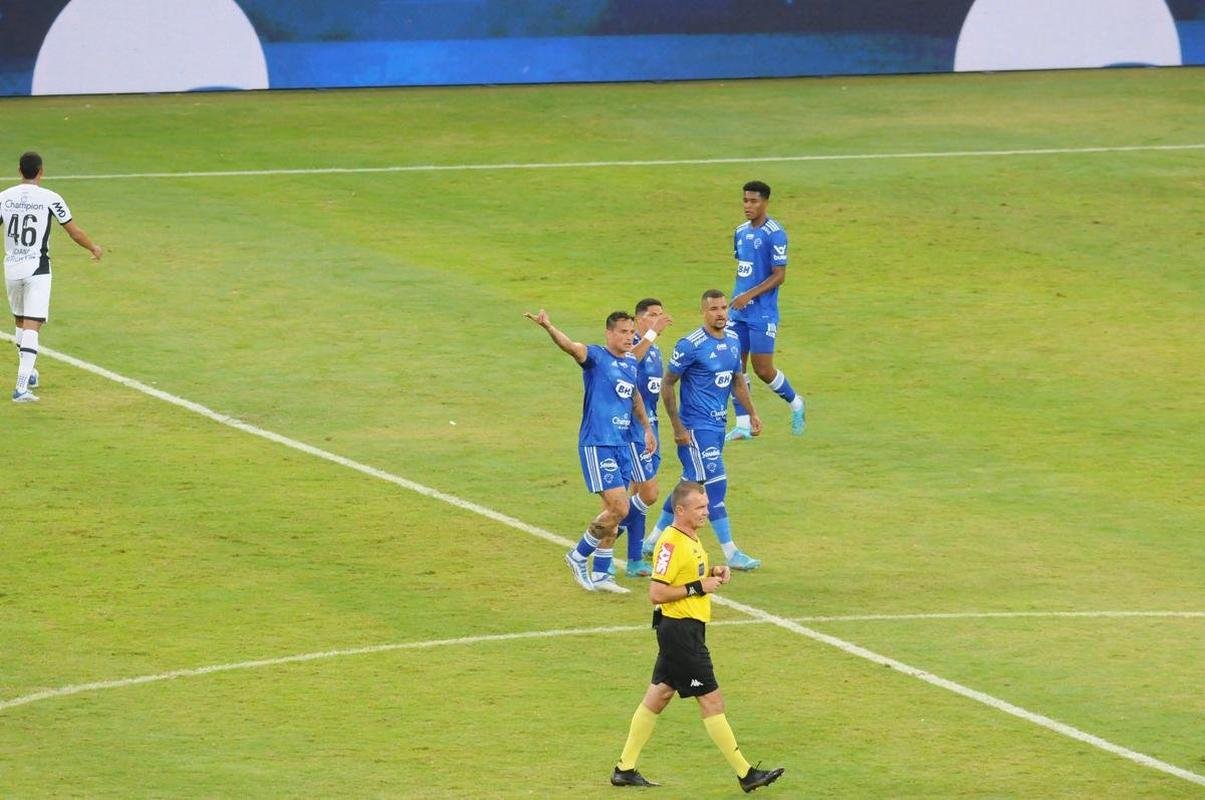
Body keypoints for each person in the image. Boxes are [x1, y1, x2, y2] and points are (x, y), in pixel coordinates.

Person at [611, 480, 785, 793]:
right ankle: (746, 774)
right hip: (681, 633)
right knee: (711, 699)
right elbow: (656, 592)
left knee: (659, 696)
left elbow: (689, 576)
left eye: (706, 506)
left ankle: (624, 768)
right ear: (680, 510)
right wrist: (698, 587)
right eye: (700, 507)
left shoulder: (690, 537)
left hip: (684, 630)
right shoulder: (670, 543)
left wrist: (713, 571)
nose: (706, 512)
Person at [524, 308, 656, 593]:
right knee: (620, 506)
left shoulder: (631, 362)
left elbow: (634, 396)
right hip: (598, 443)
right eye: (622, 332)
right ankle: (578, 555)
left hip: (621, 443)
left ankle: (601, 574)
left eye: (631, 332)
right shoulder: (596, 357)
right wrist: (549, 326)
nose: (629, 337)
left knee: (615, 511)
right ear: (609, 333)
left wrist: (646, 428)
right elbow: (571, 347)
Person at [642, 289, 763, 570]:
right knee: (715, 487)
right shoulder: (690, 344)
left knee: (689, 483)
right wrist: (678, 426)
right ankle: (732, 553)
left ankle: (652, 540)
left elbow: (736, 380)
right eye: (713, 309)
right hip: (695, 429)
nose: (720, 313)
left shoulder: (733, 339)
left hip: (717, 427)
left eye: (723, 308)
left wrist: (751, 413)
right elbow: (668, 383)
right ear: (703, 312)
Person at [1, 151, 102, 402]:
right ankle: (21, 388)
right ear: (41, 171)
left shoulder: (4, 197)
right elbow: (74, 232)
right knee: (33, 325)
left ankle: (30, 373)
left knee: (21, 323)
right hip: (37, 268)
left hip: (11, 268)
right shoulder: (50, 198)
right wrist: (93, 247)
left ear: (19, 170)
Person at [725, 180, 805, 440]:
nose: (748, 206)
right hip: (738, 312)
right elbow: (744, 268)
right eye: (745, 201)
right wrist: (739, 297)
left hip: (762, 313)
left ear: (765, 202)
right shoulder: (739, 231)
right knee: (734, 365)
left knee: (763, 369)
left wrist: (748, 295)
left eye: (753, 201)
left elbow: (779, 275)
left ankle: (796, 403)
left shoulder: (775, 233)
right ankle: (743, 424)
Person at [615, 298, 672, 578]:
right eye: (651, 316)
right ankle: (613, 526)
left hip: (650, 427)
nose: (657, 320)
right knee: (649, 494)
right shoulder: (633, 345)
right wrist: (651, 334)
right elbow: (628, 362)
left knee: (637, 492)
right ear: (638, 321)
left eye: (660, 315)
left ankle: (634, 559)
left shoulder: (656, 350)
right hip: (631, 430)